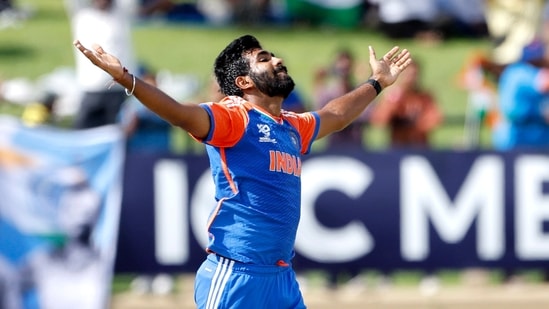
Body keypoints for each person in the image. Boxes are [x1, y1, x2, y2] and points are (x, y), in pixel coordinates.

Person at [73, 34, 411, 308]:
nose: (277, 60)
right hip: (237, 275)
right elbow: (179, 113)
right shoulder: (235, 117)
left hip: (281, 278)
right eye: (264, 58)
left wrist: (377, 83)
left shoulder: (290, 127)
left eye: (273, 56)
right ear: (243, 81)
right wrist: (126, 78)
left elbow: (335, 115)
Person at [65, 0, 138, 129]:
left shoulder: (120, 13)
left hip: (118, 89)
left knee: (116, 136)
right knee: (82, 135)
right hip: (91, 88)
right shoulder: (82, 14)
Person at [369, 60, 443, 148]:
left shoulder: (425, 96)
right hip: (398, 146)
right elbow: (379, 120)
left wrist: (416, 124)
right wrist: (394, 104)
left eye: (414, 75)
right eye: (408, 74)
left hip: (420, 145)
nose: (411, 78)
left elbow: (436, 119)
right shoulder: (394, 96)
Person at [491, 39, 549, 150]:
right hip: (517, 139)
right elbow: (544, 83)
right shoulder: (519, 72)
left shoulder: (515, 71)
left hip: (536, 139)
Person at [313, 48, 368, 148]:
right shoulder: (328, 93)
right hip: (334, 147)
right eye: (340, 61)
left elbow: (369, 116)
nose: (344, 66)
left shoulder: (360, 91)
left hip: (356, 146)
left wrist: (365, 82)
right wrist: (318, 83)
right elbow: (318, 117)